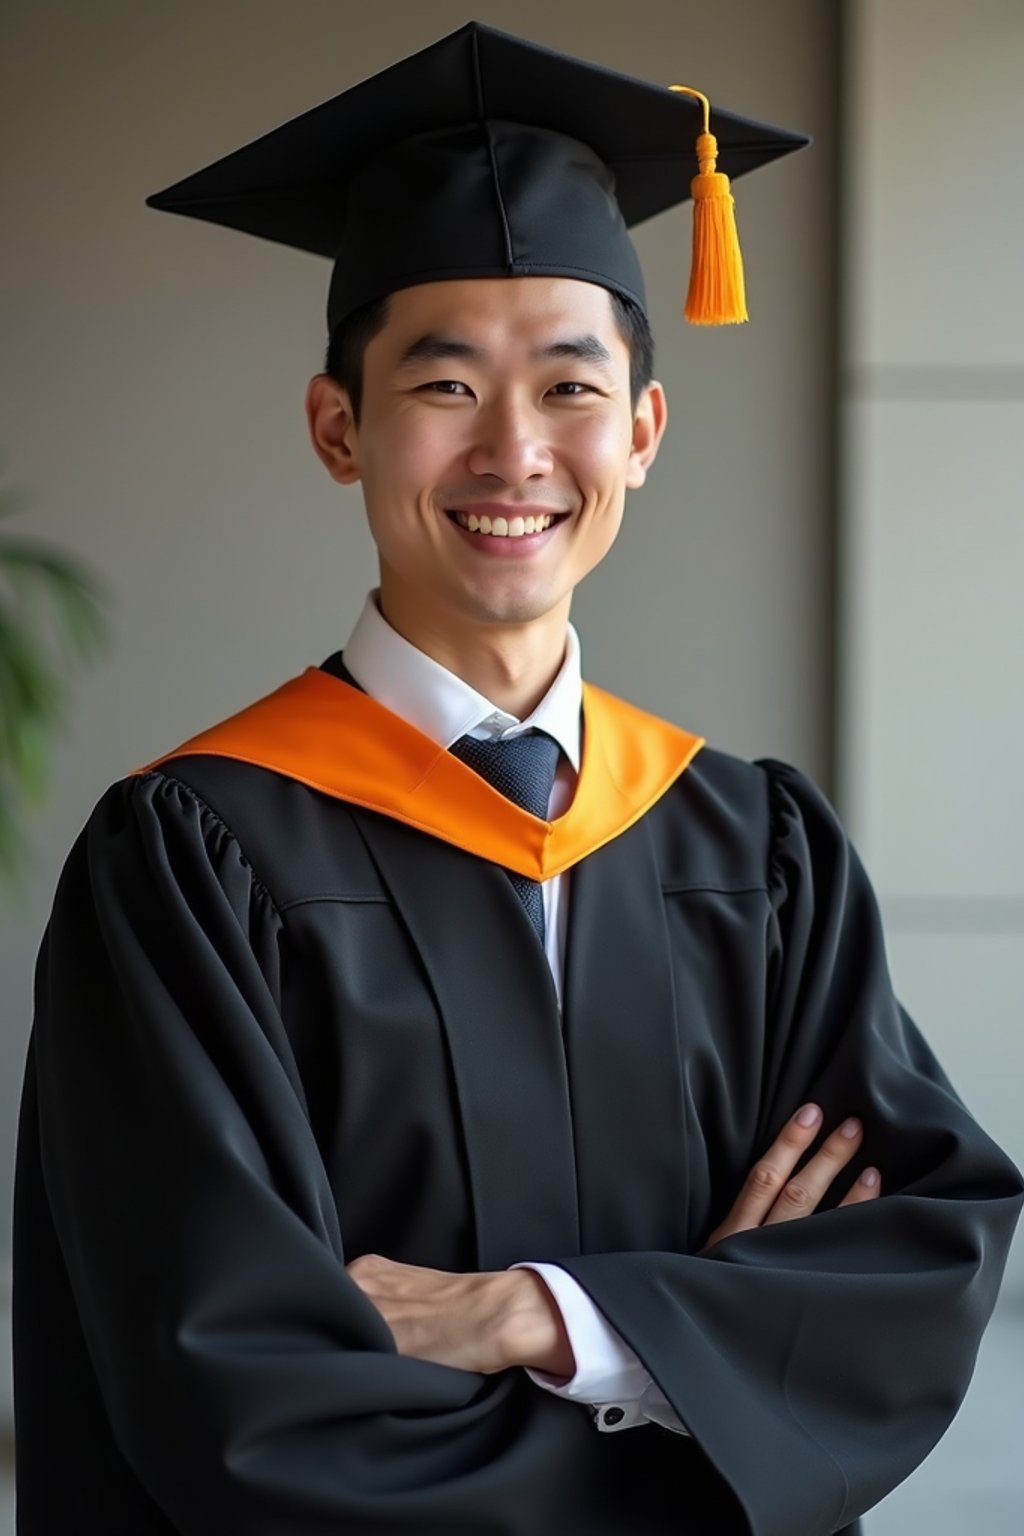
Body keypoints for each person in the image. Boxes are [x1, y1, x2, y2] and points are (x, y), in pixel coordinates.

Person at [13, 21, 1022, 1536]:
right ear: (337, 427)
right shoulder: (192, 853)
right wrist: (685, 1353)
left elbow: (912, 1256)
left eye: (567, 386)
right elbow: (226, 1385)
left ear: (643, 430)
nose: (512, 452)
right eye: (443, 387)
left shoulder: (751, 845)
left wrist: (539, 1319)